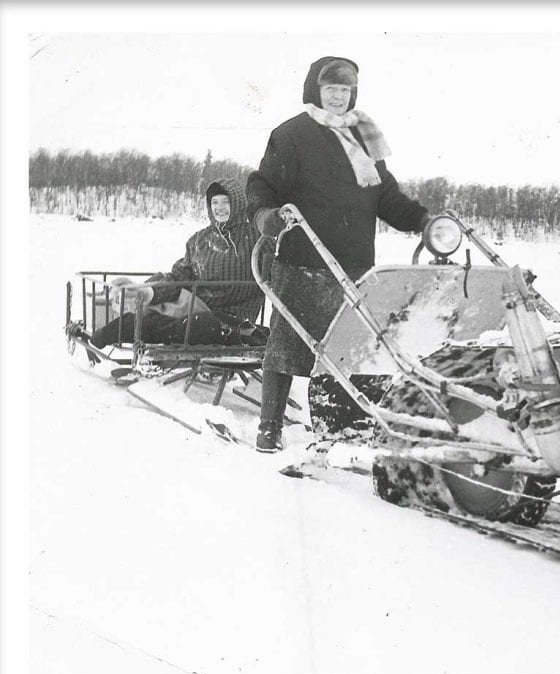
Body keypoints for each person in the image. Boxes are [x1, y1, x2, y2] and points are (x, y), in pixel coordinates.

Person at [247, 56, 430, 452]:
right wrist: (266, 215)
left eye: (344, 90)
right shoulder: (292, 134)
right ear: (316, 89)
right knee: (286, 346)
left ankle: (341, 430)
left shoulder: (364, 137)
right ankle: (269, 426)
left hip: (354, 265)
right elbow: (262, 187)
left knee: (350, 351)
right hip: (303, 260)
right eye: (330, 88)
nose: (337, 96)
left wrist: (424, 221)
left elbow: (388, 198)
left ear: (353, 93)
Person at [89, 178, 271, 349]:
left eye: (226, 202)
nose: (219, 208)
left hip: (233, 319)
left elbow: (275, 271)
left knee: (192, 325)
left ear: (238, 203)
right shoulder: (199, 240)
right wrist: (150, 291)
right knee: (154, 319)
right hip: (196, 308)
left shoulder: (256, 238)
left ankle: (118, 331)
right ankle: (104, 334)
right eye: (214, 202)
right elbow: (180, 276)